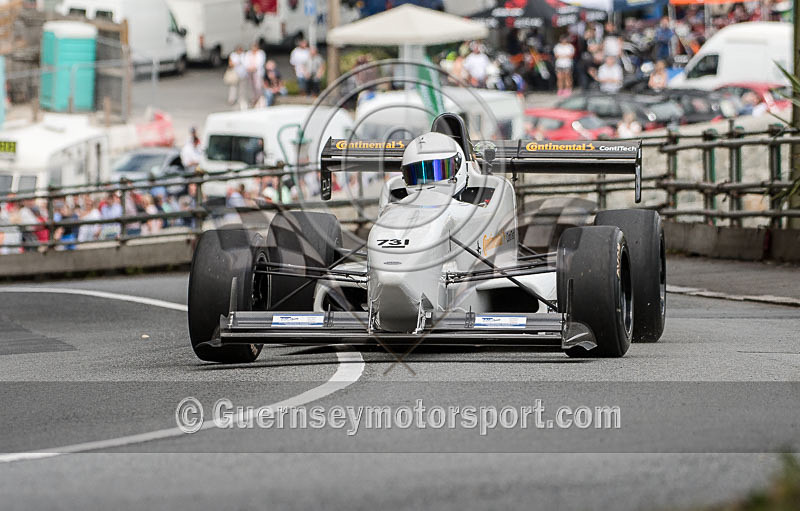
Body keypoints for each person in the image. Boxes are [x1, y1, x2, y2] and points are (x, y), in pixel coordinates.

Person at [245, 42, 266, 107]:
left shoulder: (261, 53)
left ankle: (260, 98)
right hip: (250, 72)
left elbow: (260, 62)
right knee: (252, 86)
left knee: (258, 86)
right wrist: (249, 67)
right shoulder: (248, 53)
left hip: (257, 72)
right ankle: (254, 98)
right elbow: (246, 62)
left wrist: (254, 67)